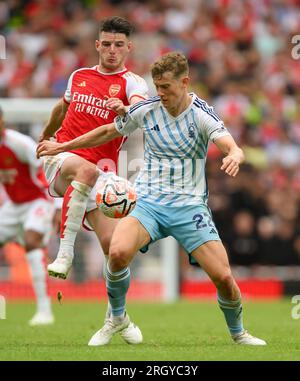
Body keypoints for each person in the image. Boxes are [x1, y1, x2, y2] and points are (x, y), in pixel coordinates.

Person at [37, 52, 266, 346]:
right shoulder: (148, 109)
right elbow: (107, 131)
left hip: (188, 207)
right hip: (148, 202)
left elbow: (231, 146)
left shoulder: (201, 114)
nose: (160, 93)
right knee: (117, 253)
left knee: (222, 277)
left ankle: (239, 333)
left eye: (166, 87)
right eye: (156, 86)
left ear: (184, 83)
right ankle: (115, 319)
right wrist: (63, 145)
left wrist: (234, 155)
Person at [38, 16, 148, 344]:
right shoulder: (80, 75)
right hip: (63, 159)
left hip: (102, 174)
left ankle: (118, 317)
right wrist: (46, 137)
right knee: (84, 170)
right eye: (107, 44)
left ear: (129, 48)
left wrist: (124, 109)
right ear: (97, 45)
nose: (112, 51)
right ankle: (66, 252)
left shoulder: (134, 84)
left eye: (119, 45)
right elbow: (63, 106)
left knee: (115, 251)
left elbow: (139, 111)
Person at [0, 107, 55, 326]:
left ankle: (44, 310)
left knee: (32, 242)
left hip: (38, 200)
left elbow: (47, 165)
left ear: (2, 120)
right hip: (13, 205)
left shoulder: (18, 143)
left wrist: (58, 204)